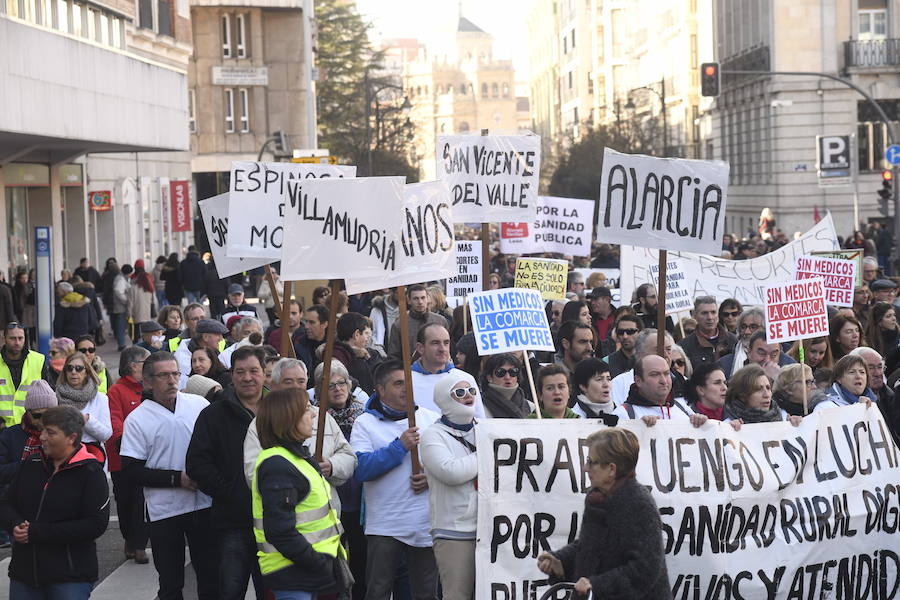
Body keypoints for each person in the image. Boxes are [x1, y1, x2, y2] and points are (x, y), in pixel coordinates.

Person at [119, 351, 218, 600]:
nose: (172, 380)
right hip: (165, 511)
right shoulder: (137, 419)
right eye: (164, 375)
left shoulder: (199, 405)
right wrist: (177, 479)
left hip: (204, 505)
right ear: (148, 382)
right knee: (171, 583)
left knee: (211, 577)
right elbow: (131, 471)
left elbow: (218, 449)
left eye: (175, 373)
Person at [537, 428, 670, 599]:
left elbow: (645, 569)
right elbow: (589, 547)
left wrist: (597, 585)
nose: (586, 468)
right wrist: (560, 561)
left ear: (611, 469)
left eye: (591, 462)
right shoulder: (597, 498)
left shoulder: (640, 503)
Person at [349, 360, 440, 600]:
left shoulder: (432, 419)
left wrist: (431, 478)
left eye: (408, 383)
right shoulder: (364, 424)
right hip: (385, 525)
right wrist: (399, 447)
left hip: (425, 523)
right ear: (381, 389)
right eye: (399, 384)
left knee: (425, 593)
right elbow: (361, 469)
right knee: (378, 592)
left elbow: (449, 464)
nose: (406, 389)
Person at [0, 405, 110, 600]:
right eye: (43, 430)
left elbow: (95, 524)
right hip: (24, 575)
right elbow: (6, 504)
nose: (42, 437)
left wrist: (36, 532)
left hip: (69, 577)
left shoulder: (90, 473)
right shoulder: (30, 465)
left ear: (71, 438)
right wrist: (15, 523)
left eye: (50, 432)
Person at [186, 346, 268, 600]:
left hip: (275, 521)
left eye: (254, 371)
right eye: (240, 372)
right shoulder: (213, 414)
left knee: (272, 592)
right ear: (231, 375)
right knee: (230, 591)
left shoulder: (279, 411)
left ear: (265, 374)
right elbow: (197, 463)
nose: (247, 378)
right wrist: (229, 492)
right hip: (232, 521)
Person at [251, 388, 348, 599]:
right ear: (288, 418)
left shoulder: (294, 458)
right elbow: (279, 531)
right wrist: (317, 562)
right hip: (295, 576)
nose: (313, 414)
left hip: (308, 574)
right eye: (306, 410)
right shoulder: (278, 464)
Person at [420, 371, 480, 600]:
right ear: (445, 398)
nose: (468, 396)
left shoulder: (485, 429)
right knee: (457, 595)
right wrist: (487, 453)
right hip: (454, 531)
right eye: (460, 392)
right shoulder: (433, 435)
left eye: (472, 391)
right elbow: (451, 471)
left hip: (488, 527)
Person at [107, 346, 151, 564]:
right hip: (122, 458)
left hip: (147, 458)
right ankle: (129, 539)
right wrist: (124, 441)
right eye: (146, 362)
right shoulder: (116, 391)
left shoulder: (149, 388)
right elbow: (115, 421)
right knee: (124, 502)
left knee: (141, 501)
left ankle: (140, 544)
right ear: (134, 366)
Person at [612, 355, 705, 426]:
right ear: (638, 381)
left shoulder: (683, 409)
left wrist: (701, 424)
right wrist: (639, 428)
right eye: (654, 374)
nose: (663, 381)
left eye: (667, 374)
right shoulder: (623, 415)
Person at [54, 352, 112, 465]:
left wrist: (87, 420)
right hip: (64, 458)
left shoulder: (100, 399)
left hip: (92, 458)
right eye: (69, 368)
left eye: (79, 368)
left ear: (86, 372)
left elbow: (106, 434)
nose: (73, 372)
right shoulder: (55, 397)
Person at [724, 364, 803, 426]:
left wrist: (797, 425)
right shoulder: (729, 425)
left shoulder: (784, 418)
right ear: (742, 396)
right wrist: (730, 431)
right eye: (758, 389)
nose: (766, 395)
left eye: (768, 388)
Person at [387, 284, 448, 359]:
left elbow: (448, 349)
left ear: (428, 299)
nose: (420, 302)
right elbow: (393, 356)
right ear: (409, 300)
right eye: (416, 298)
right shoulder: (399, 325)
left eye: (423, 298)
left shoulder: (440, 321)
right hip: (409, 369)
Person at [679, 296, 737, 368]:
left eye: (713, 312)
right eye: (704, 313)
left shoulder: (733, 340)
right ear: (694, 315)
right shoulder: (685, 346)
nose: (710, 317)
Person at [333, 311, 383, 395]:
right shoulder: (338, 358)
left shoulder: (372, 354)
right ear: (356, 334)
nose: (368, 338)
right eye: (366, 333)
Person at [719, 330, 795, 380]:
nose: (767, 360)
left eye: (774, 355)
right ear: (749, 352)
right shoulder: (730, 373)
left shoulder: (789, 375)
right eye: (761, 353)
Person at [175, 318, 229, 388]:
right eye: (218, 334)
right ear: (205, 337)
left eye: (201, 360)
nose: (221, 339)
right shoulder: (182, 359)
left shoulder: (225, 376)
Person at [479, 353, 532, 419]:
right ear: (489, 377)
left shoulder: (531, 407)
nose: (507, 377)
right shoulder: (480, 407)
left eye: (513, 372)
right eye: (500, 372)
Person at [572, 358, 618, 423]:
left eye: (608, 379)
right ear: (583, 386)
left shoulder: (622, 414)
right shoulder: (574, 418)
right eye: (599, 379)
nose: (606, 384)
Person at [723, 307, 765, 376]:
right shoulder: (725, 363)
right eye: (743, 327)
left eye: (753, 327)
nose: (747, 332)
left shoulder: (782, 360)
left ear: (765, 329)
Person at [128, 260, 157, 341]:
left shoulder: (133, 288)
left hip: (136, 315)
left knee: (135, 336)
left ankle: (136, 349)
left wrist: (129, 315)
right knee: (146, 335)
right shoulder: (149, 288)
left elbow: (130, 303)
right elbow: (152, 301)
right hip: (147, 315)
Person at [297, 304, 329, 376]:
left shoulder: (335, 346)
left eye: (312, 322)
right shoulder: (299, 345)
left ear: (324, 324)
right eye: (306, 322)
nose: (306, 326)